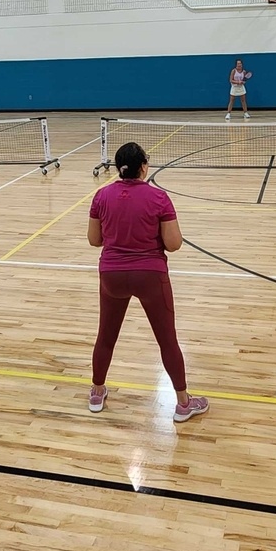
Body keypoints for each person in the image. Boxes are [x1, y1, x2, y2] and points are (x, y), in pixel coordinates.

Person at [87, 142, 209, 422]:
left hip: (112, 277)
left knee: (106, 336)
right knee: (167, 340)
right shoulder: (159, 198)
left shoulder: (101, 196)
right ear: (143, 167)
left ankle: (97, 392)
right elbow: (174, 243)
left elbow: (95, 240)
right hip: (150, 276)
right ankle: (182, 402)